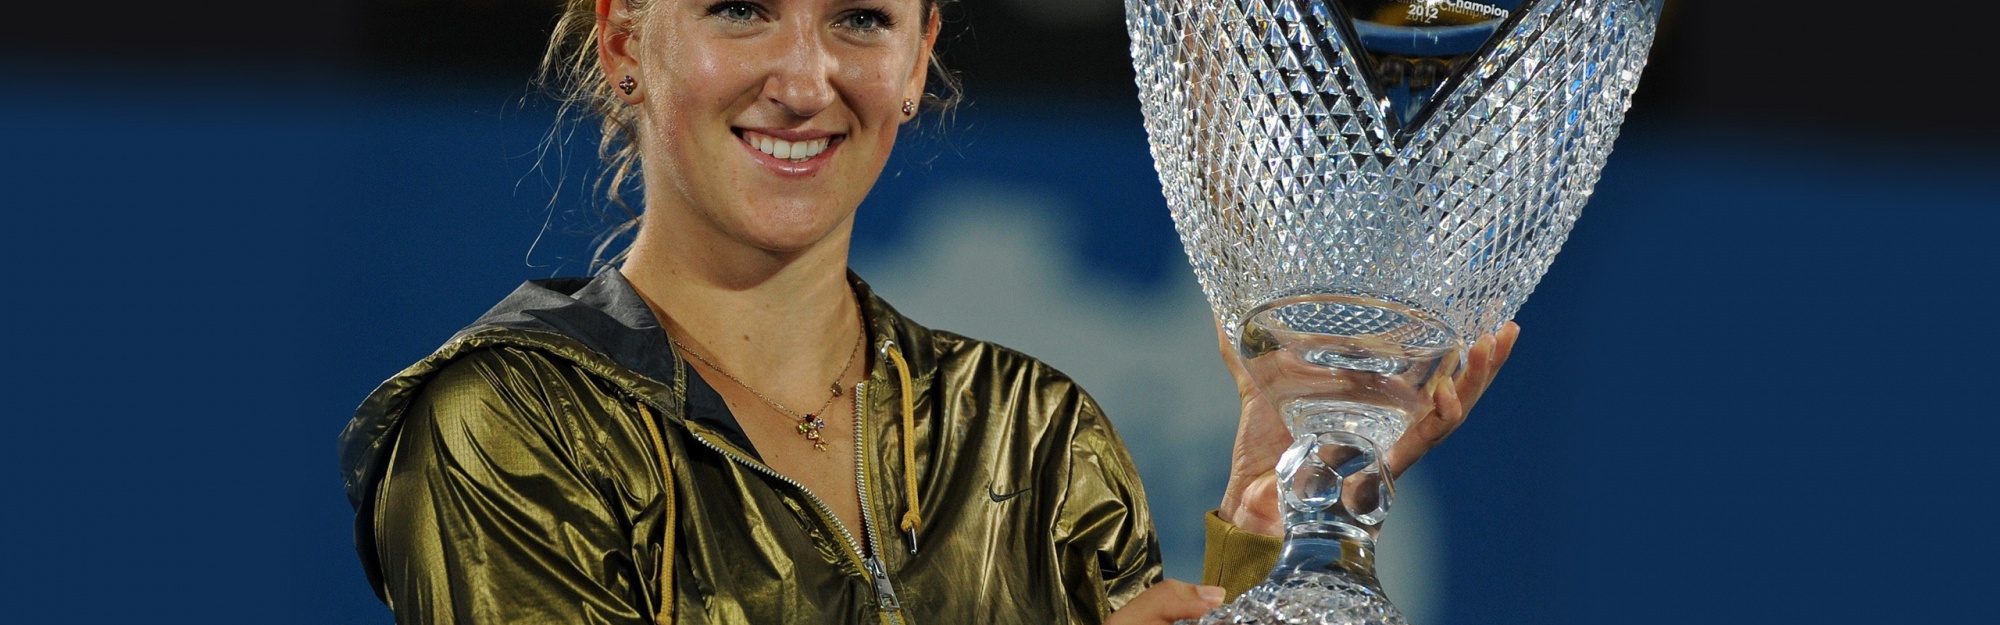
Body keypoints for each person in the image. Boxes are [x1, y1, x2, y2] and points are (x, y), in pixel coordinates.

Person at [335, 0, 1517, 623]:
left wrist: (1275, 522)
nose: (803, 79)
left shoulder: (1032, 431)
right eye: (739, 8)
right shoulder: (501, 425)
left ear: (916, 57)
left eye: (859, 19)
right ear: (624, 38)